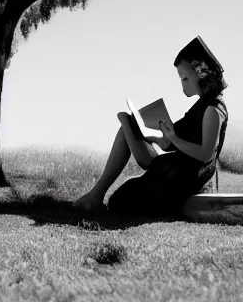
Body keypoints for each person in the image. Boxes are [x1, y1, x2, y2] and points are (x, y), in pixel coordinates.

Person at [74, 36, 229, 215]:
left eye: (185, 78)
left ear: (202, 74)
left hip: (183, 180)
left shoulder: (213, 109)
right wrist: (151, 133)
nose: (182, 84)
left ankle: (94, 196)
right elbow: (170, 143)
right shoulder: (202, 106)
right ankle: (94, 196)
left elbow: (205, 154)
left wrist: (173, 138)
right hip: (178, 172)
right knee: (129, 130)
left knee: (119, 199)